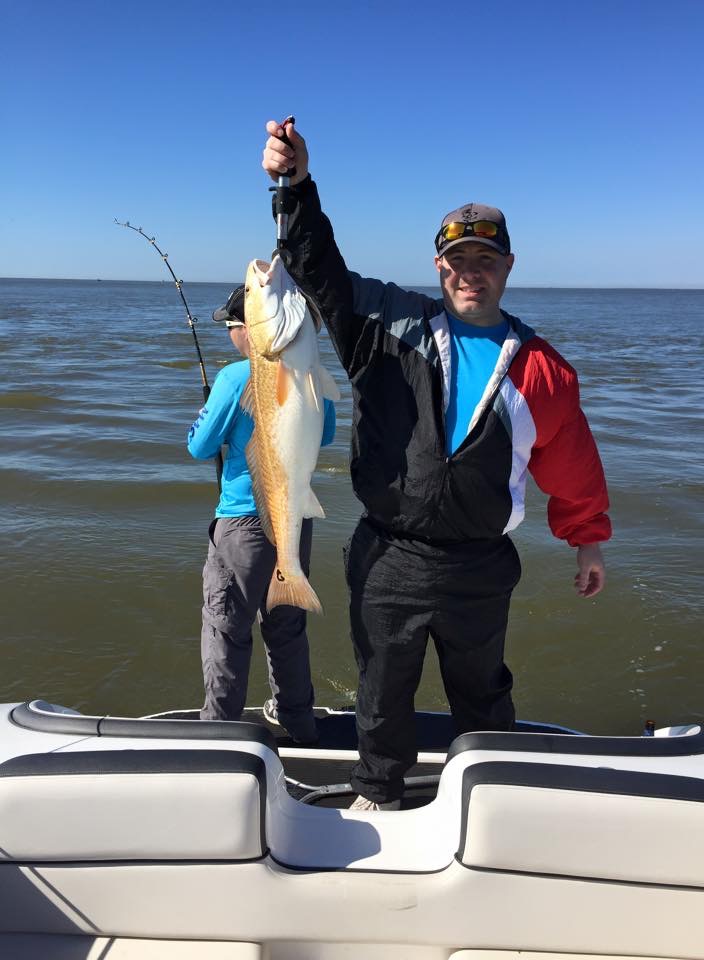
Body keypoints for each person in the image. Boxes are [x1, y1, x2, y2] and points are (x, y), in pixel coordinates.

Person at [262, 119, 611, 809]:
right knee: (382, 685)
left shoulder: (543, 370)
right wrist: (294, 186)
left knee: (482, 690)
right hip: (389, 553)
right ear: (438, 268)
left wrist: (587, 537)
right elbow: (319, 272)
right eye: (457, 262)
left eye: (485, 260)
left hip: (481, 562)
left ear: (508, 266)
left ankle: (496, 797)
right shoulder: (390, 324)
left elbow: (571, 462)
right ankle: (377, 791)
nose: (470, 273)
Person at [187, 284, 336, 744]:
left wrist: (209, 411)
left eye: (231, 327)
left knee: (226, 629)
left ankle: (221, 735)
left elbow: (199, 446)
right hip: (294, 519)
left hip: (243, 525)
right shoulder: (312, 372)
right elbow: (326, 435)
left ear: (248, 330)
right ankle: (298, 722)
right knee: (287, 627)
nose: (230, 335)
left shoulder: (235, 378)